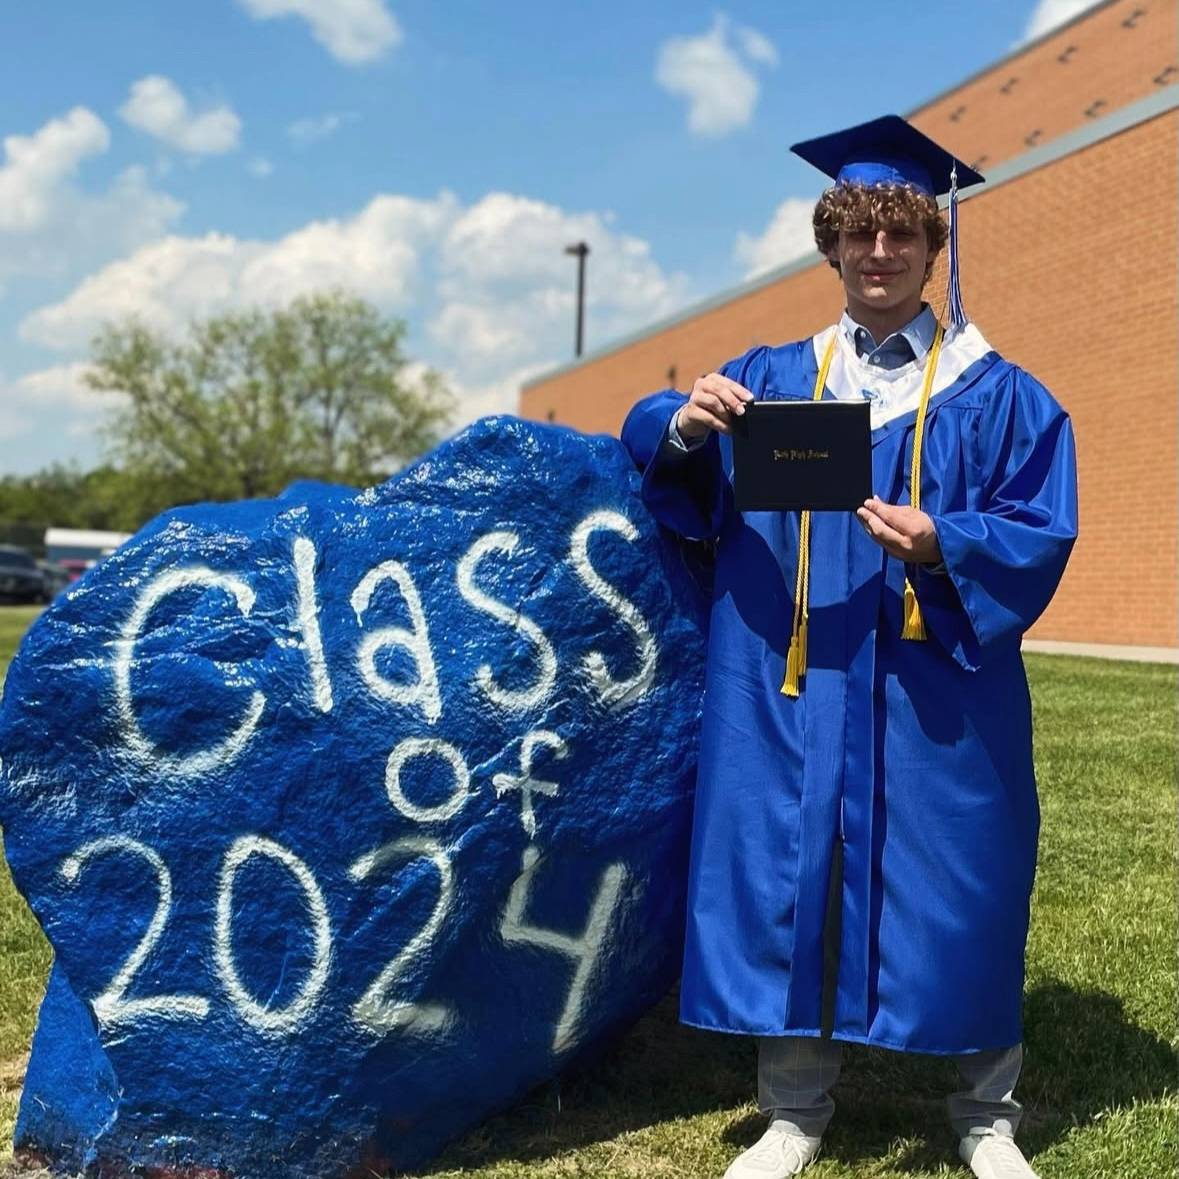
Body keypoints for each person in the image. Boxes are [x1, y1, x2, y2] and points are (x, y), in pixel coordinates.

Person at [620, 115, 1078, 1179]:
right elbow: (660, 448)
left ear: (933, 247)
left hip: (937, 692)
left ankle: (982, 1114)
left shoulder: (1000, 395)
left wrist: (944, 539)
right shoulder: (775, 377)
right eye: (858, 236)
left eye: (902, 236)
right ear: (830, 249)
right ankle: (794, 1111)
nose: (880, 255)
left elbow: (1041, 525)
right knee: (794, 870)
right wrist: (686, 421)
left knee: (968, 876)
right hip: (799, 682)